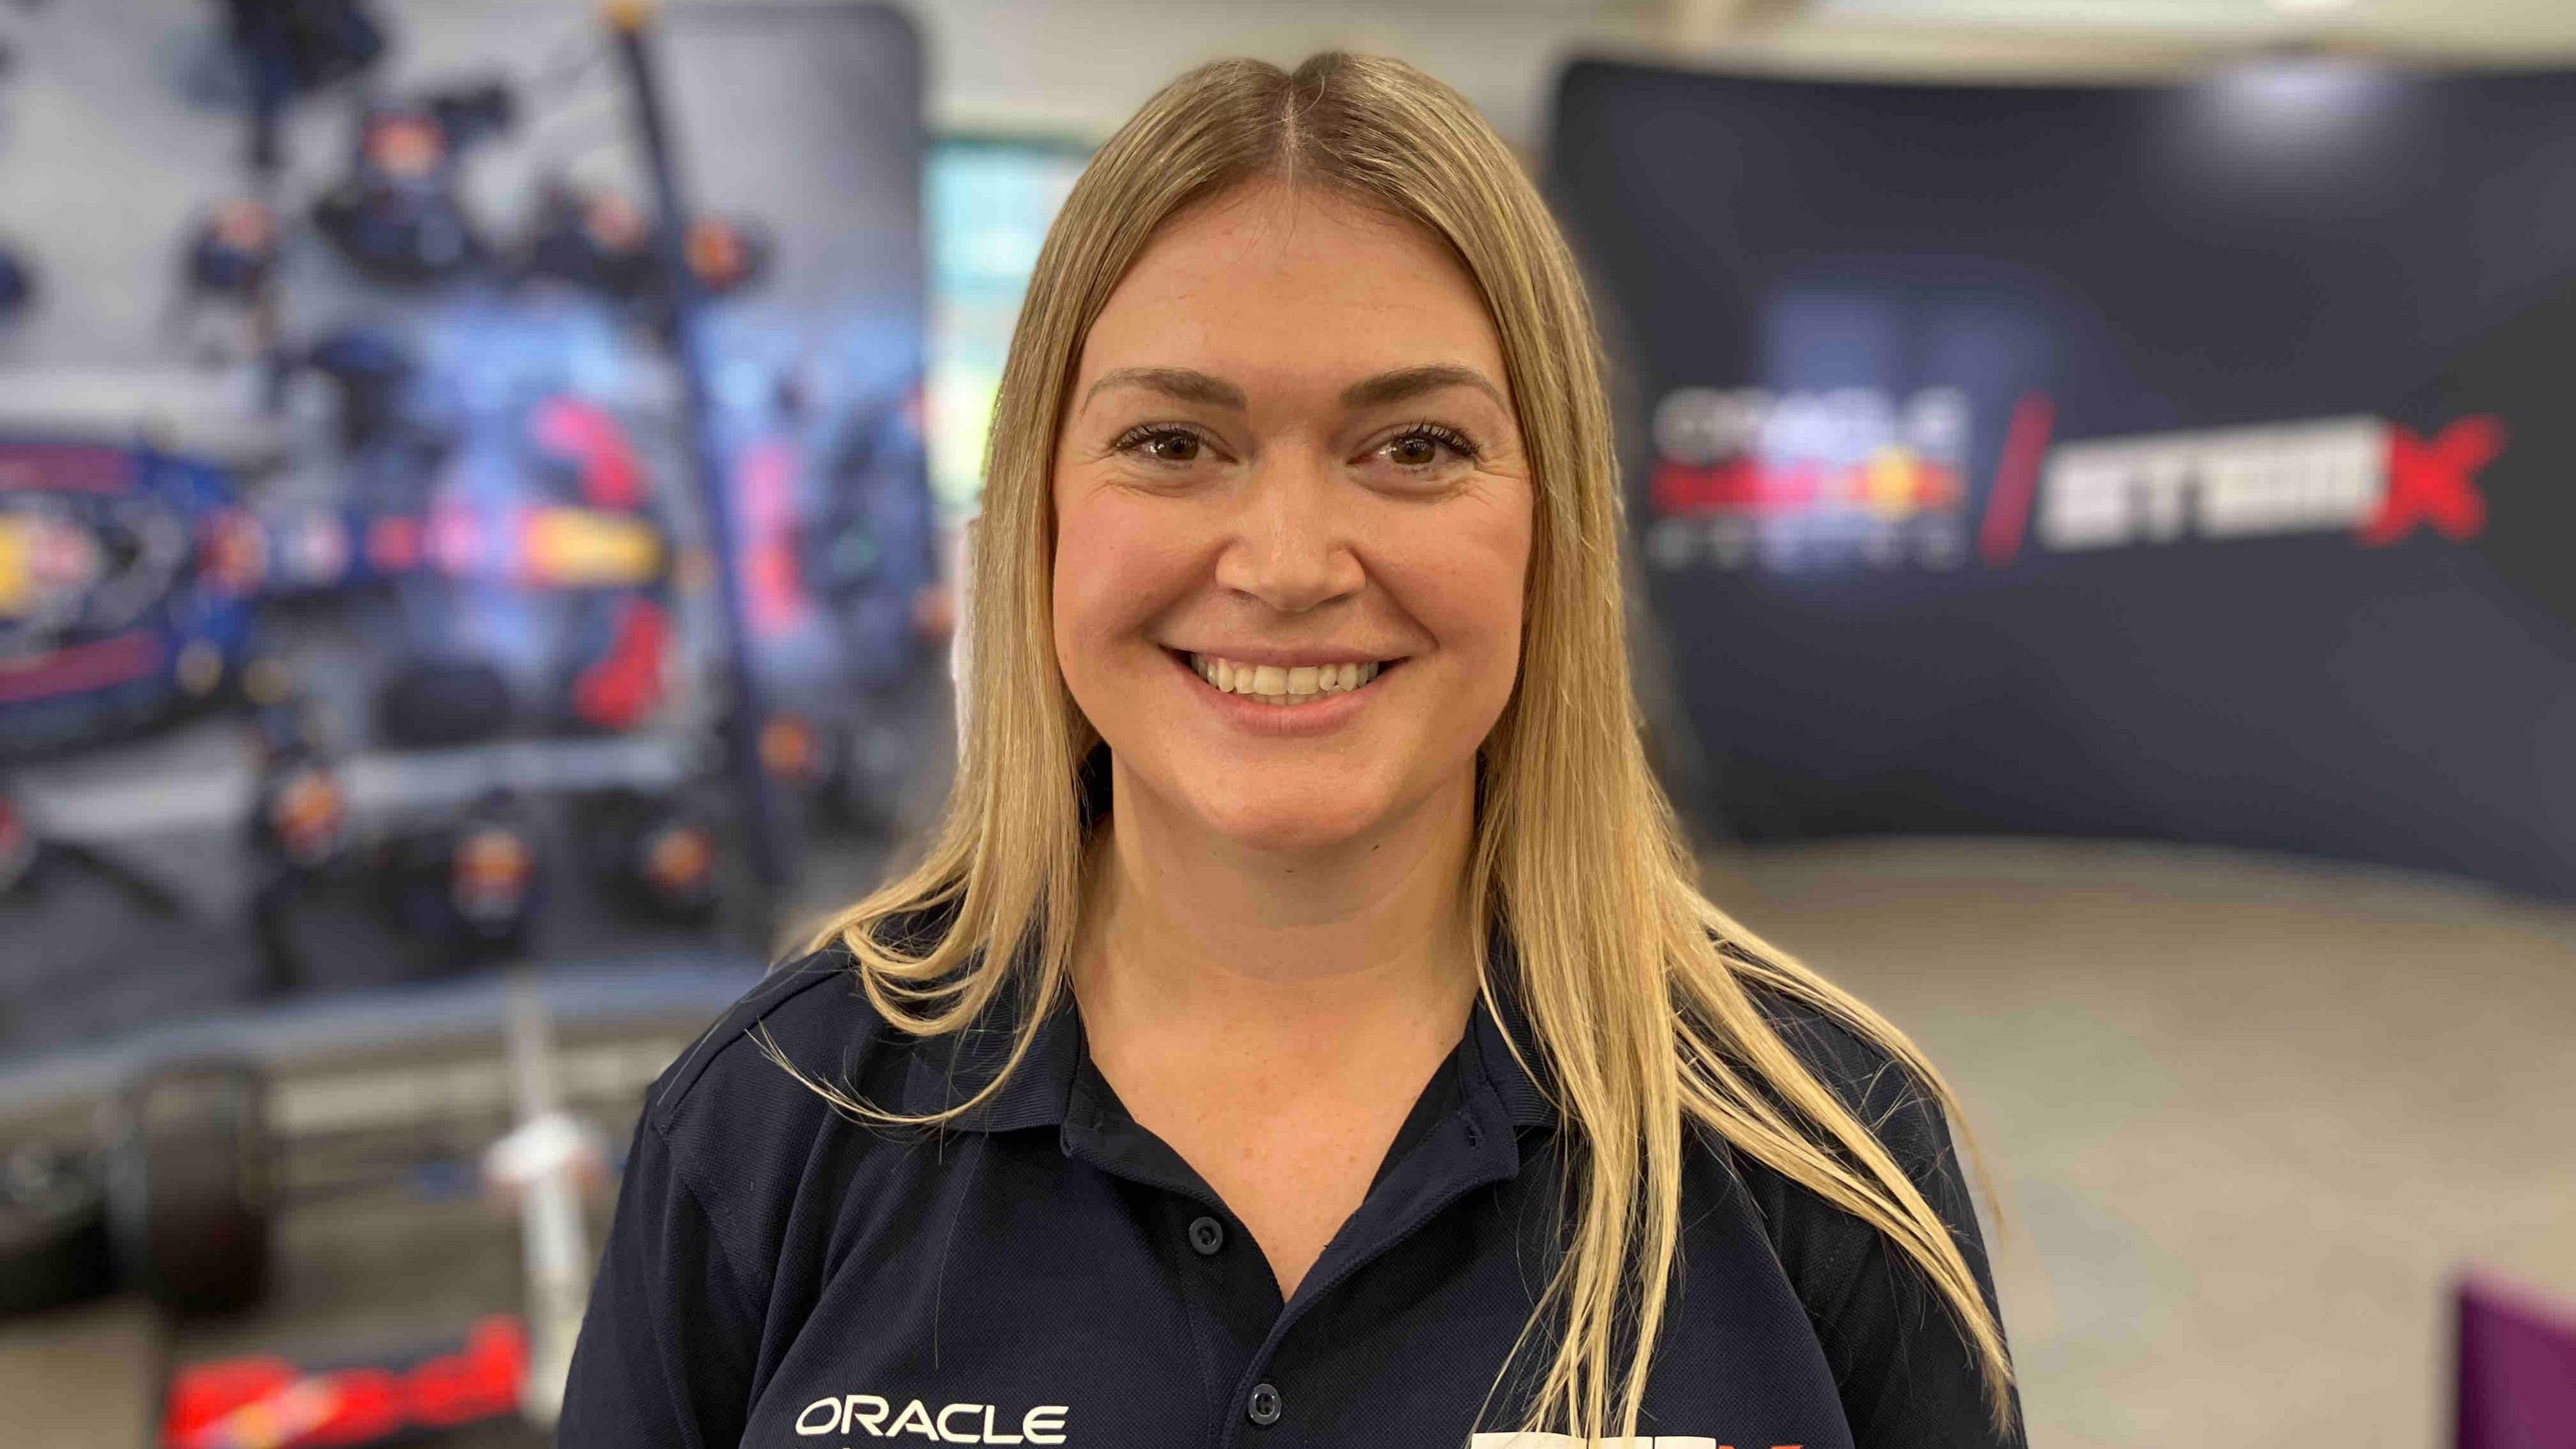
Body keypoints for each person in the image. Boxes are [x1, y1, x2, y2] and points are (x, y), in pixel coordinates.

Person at [557, 52, 2024, 1449]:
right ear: (1040, 512)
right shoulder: (772, 1126)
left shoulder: (1822, 1155)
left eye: (1417, 448)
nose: (1289, 565)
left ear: (1554, 527)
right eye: (1172, 444)